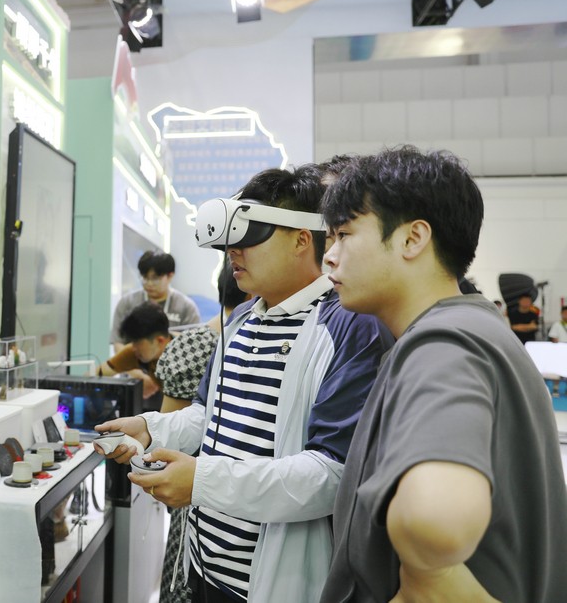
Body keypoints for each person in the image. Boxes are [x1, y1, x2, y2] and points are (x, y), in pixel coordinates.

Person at [95, 164, 391, 603]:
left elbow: (331, 474)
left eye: (250, 235)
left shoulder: (348, 326)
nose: (233, 250)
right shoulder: (240, 320)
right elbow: (207, 414)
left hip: (272, 582)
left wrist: (202, 481)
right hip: (203, 567)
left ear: (301, 240)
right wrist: (151, 429)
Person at [319, 146, 567, 602]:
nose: (329, 257)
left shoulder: (442, 345)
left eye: (344, 234)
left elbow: (435, 522)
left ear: (413, 239)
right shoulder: (474, 327)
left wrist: (426, 579)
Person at [156, 260, 247, 603]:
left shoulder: (190, 344)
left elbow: (168, 437)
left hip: (192, 495)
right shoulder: (222, 342)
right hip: (225, 497)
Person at [111, 251, 200, 353]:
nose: (149, 283)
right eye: (145, 278)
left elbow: (194, 344)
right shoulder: (127, 303)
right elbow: (118, 342)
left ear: (170, 276)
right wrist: (131, 362)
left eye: (155, 279)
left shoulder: (186, 307)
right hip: (134, 361)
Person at [97, 301, 173, 410]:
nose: (133, 348)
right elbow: (97, 373)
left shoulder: (184, 359)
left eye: (137, 343)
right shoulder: (135, 352)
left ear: (159, 341)